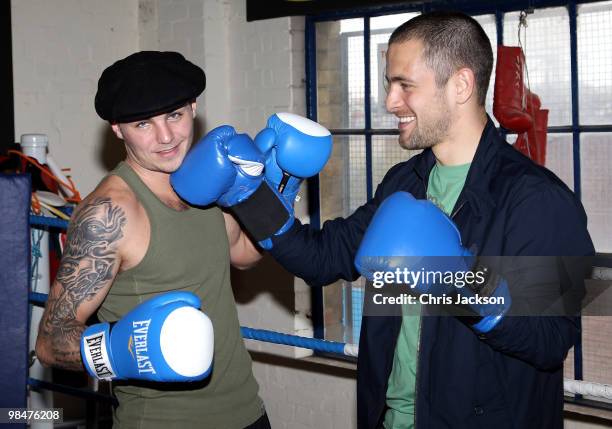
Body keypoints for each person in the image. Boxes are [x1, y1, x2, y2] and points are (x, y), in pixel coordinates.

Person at [173, 11, 594, 429]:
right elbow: (323, 258)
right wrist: (251, 198)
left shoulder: (537, 200)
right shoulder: (404, 181)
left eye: (404, 85)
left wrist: (462, 285)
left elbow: (551, 341)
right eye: (389, 84)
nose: (390, 101)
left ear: (461, 85)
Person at [35, 51, 272, 429]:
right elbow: (50, 341)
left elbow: (243, 255)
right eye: (143, 124)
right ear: (117, 128)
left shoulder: (208, 181)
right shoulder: (109, 214)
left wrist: (271, 195)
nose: (165, 138)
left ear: (194, 108)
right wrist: (122, 349)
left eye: (174, 115)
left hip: (247, 412)